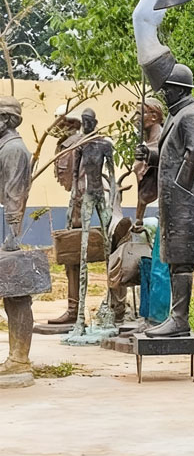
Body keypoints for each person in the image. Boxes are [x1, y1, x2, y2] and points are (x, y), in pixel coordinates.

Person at [135, 58, 194, 337]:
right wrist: (150, 155)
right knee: (174, 258)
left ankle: (180, 319)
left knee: (182, 259)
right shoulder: (177, 114)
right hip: (174, 200)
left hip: (183, 199)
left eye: (168, 89)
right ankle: (175, 317)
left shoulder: (190, 115)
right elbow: (172, 153)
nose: (165, 94)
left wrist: (180, 187)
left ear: (181, 90)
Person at [68, 108, 115, 335]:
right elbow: (76, 178)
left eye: (88, 121)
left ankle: (110, 308)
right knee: (83, 253)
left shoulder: (105, 145)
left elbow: (113, 176)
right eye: (83, 121)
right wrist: (73, 201)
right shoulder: (81, 146)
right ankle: (79, 319)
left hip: (101, 198)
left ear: (94, 122)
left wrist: (114, 197)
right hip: (87, 198)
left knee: (109, 251)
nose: (85, 124)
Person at [0, 97, 35, 376]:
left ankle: (19, 358)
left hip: (8, 233)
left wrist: (11, 236)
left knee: (16, 292)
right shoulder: (6, 147)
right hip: (7, 231)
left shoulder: (13, 149)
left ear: (4, 120)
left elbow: (14, 196)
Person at [47, 106, 83, 325]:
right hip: (76, 207)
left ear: (70, 123)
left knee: (75, 258)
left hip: (83, 209)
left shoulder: (77, 145)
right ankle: (73, 310)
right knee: (72, 260)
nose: (55, 126)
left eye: (59, 121)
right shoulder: (66, 144)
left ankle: (75, 311)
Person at [133, 98, 164, 223]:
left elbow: (167, 155)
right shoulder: (147, 143)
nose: (135, 119)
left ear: (154, 116)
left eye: (139, 114)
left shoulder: (164, 138)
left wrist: (148, 153)